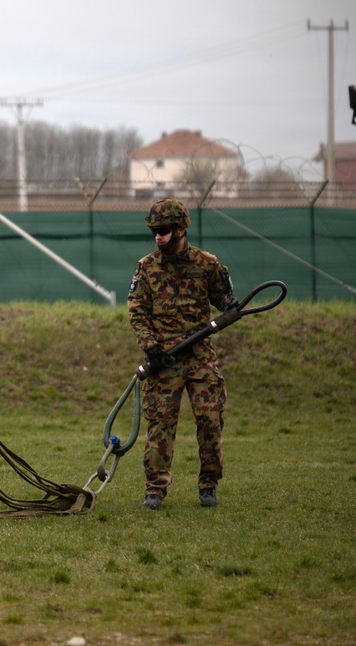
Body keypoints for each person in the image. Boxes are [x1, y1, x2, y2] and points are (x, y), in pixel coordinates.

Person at [127, 197, 236, 510]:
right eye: (154, 232)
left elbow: (225, 300)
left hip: (200, 357)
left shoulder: (206, 263)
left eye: (163, 230)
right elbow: (137, 310)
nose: (158, 237)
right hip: (164, 359)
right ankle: (155, 490)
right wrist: (150, 347)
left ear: (179, 229)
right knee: (160, 424)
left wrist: (229, 304)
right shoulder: (146, 268)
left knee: (211, 419)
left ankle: (208, 486)